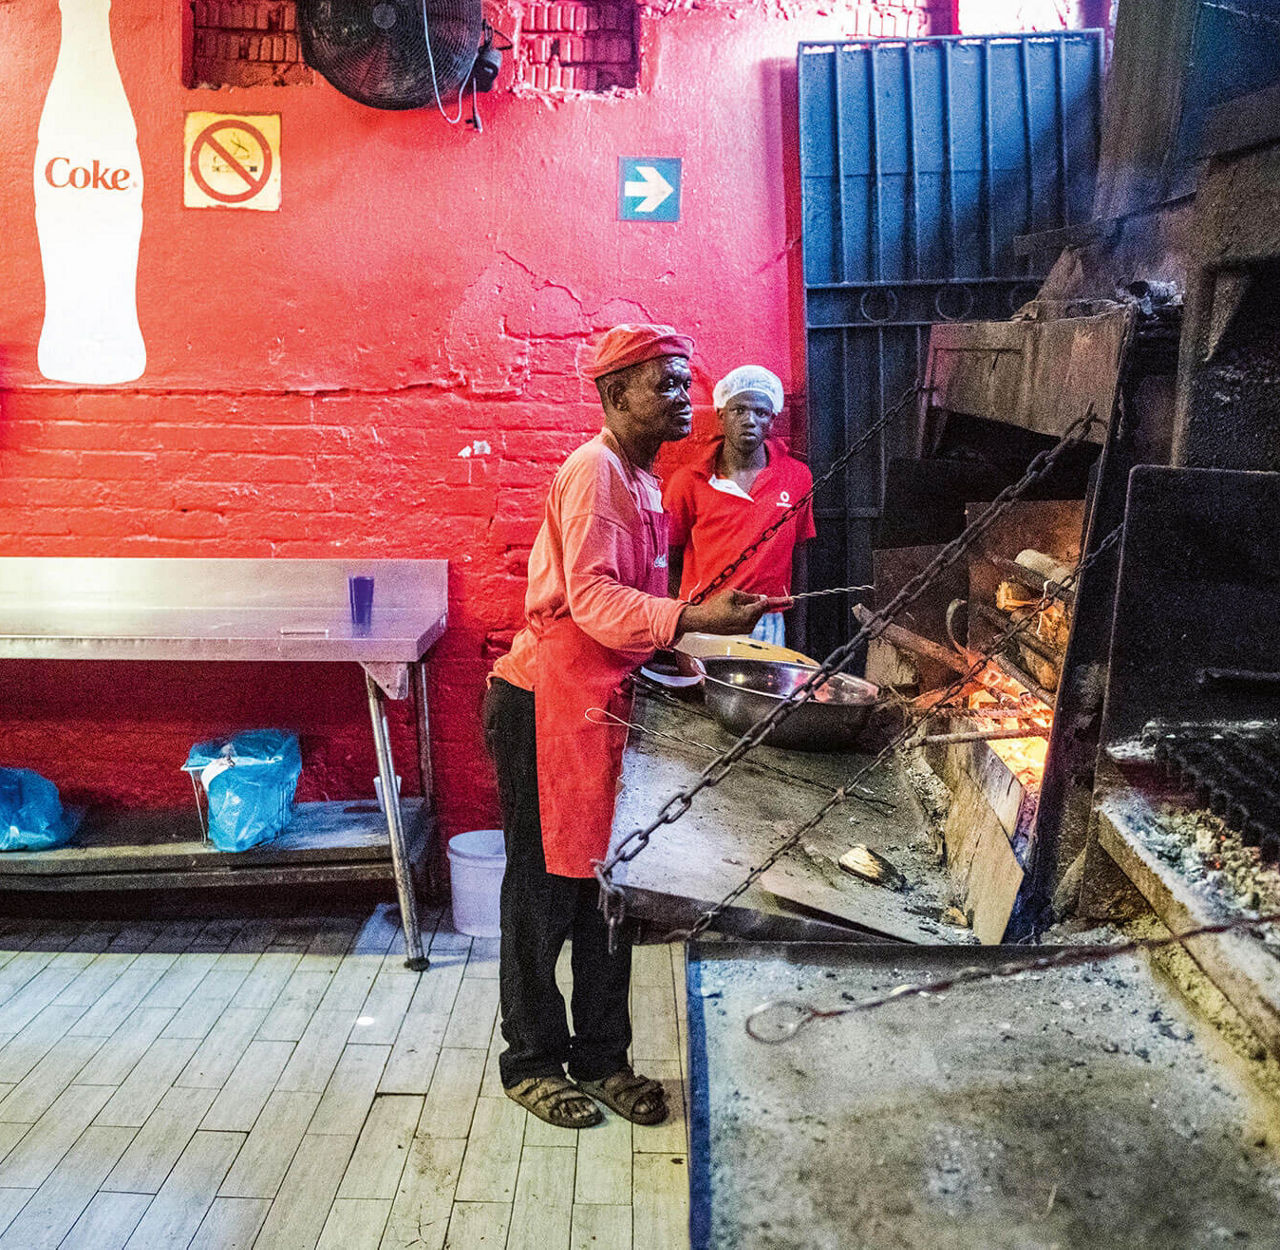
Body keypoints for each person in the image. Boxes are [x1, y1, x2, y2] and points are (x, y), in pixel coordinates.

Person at [483, 324, 779, 1130]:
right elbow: (594, 602)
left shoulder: (644, 478)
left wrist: (693, 663)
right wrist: (688, 616)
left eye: (686, 383)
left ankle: (602, 1058)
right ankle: (531, 1062)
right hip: (544, 705)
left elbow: (629, 617)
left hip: (599, 706)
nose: (686, 399)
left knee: (608, 894)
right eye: (668, 385)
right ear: (616, 395)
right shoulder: (595, 475)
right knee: (543, 896)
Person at [663, 365, 815, 647]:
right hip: (703, 619)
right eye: (739, 410)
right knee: (703, 690)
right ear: (721, 414)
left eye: (761, 412)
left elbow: (800, 557)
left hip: (766, 620)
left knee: (766, 691)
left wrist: (800, 638)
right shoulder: (688, 481)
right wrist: (686, 613)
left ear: (772, 419)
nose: (750, 420)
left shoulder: (797, 477)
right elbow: (668, 558)